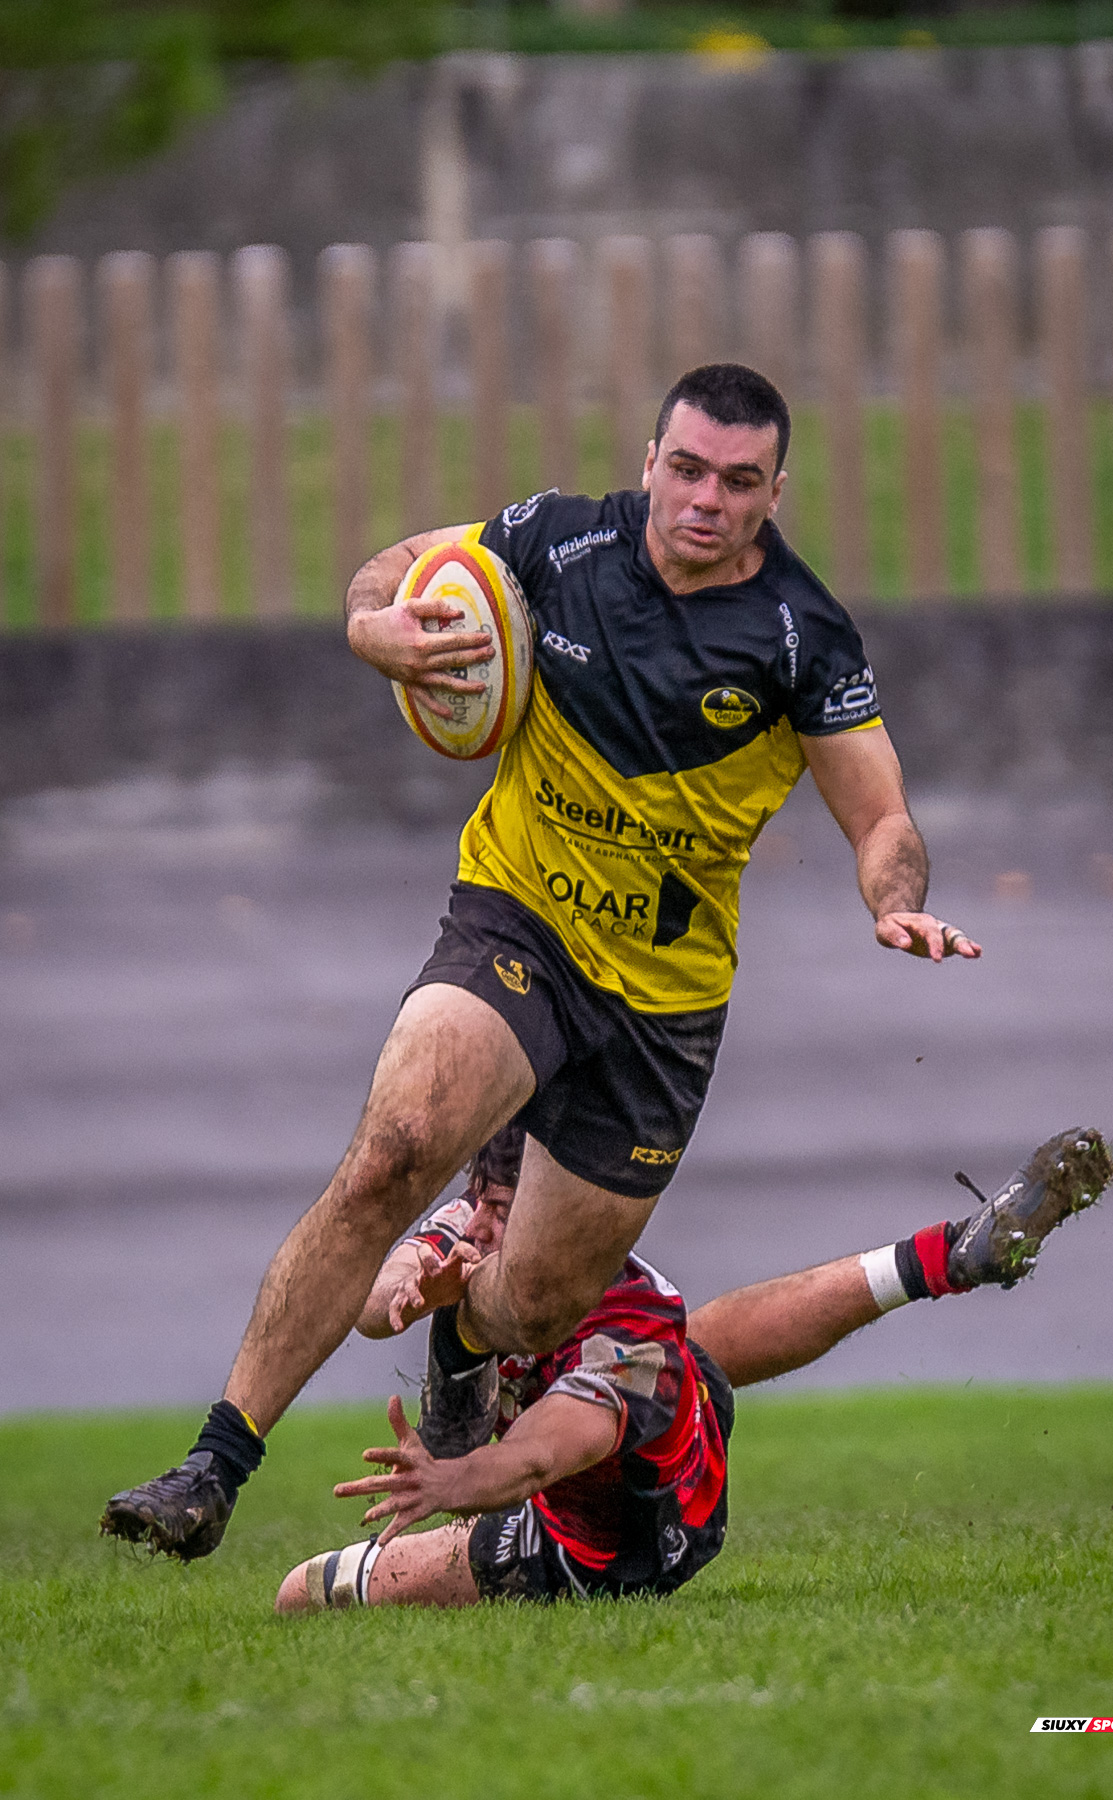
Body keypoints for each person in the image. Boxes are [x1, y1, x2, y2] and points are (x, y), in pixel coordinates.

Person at [103, 362, 982, 1563]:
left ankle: (465, 1341)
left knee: (538, 1304)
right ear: (649, 461)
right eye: (684, 469)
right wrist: (377, 634)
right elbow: (388, 575)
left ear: (774, 493)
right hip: (518, 920)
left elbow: (881, 819)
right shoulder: (556, 541)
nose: (702, 500)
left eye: (735, 481)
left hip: (660, 1011)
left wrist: (896, 903)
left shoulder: (800, 636)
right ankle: (213, 1464)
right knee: (392, 1154)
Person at [274, 1123, 1113, 1613]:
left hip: (612, 1546)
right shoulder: (487, 1224)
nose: (485, 1230)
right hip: (649, 1409)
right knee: (698, 1346)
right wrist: (415, 1290)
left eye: (503, 1217)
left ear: (550, 1221)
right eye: (485, 1210)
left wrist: (448, 1488)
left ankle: (483, 1500)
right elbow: (373, 1299)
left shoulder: (625, 1336)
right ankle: (943, 1257)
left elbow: (539, 1455)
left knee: (299, 1594)